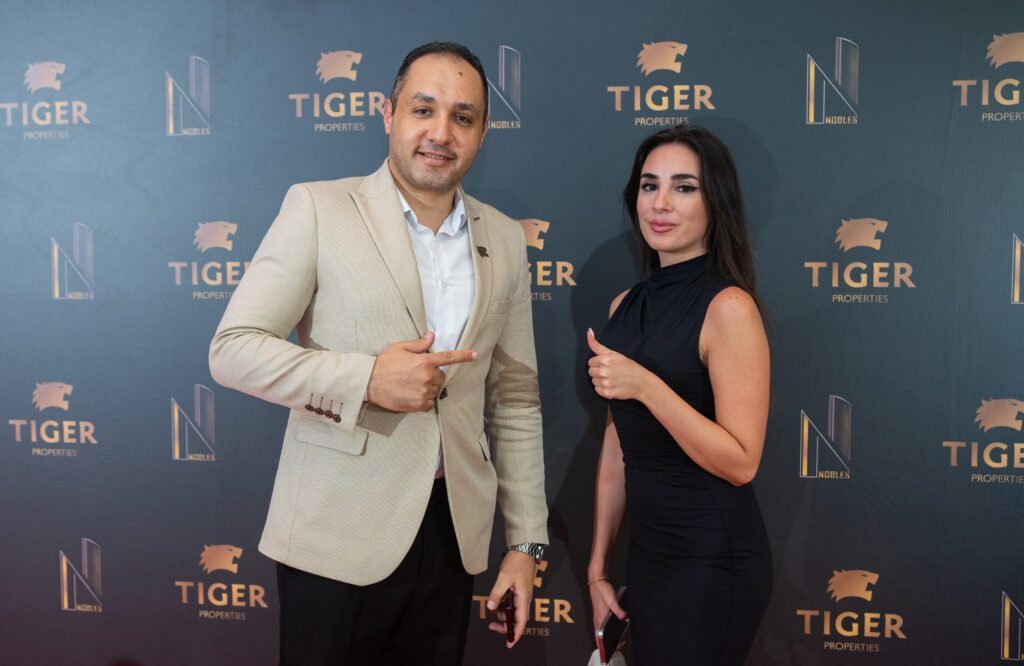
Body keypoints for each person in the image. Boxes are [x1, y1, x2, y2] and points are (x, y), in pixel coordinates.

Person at [209, 42, 547, 666]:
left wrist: (525, 545)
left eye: (463, 117)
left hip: (452, 541)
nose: (440, 133)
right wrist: (366, 378)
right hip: (335, 534)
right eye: (423, 109)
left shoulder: (503, 236)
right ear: (386, 113)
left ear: (482, 131)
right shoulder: (318, 208)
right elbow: (233, 351)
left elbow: (516, 398)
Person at [585, 124, 772, 665]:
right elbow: (618, 447)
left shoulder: (729, 308)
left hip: (714, 561)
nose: (660, 203)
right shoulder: (626, 305)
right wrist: (599, 567)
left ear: (716, 201)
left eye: (684, 187)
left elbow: (741, 462)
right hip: (648, 561)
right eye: (649, 186)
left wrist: (646, 386)